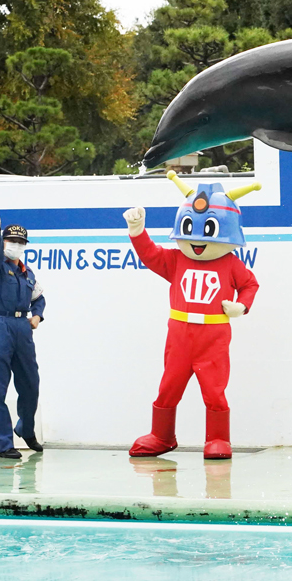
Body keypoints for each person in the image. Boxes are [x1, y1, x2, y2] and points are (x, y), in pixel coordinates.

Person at [123, 172, 260, 460]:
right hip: (180, 335)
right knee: (169, 385)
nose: (197, 241)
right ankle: (161, 435)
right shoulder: (176, 259)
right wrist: (138, 231)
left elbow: (249, 284)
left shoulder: (231, 263)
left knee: (214, 390)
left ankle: (219, 438)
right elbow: (150, 255)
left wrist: (242, 306)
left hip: (214, 336)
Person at [0, 213, 46, 459]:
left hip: (22, 328)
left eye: (20, 243)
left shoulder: (27, 273)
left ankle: (25, 429)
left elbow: (39, 298)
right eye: (11, 241)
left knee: (31, 385)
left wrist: (37, 316)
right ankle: (4, 444)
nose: (16, 246)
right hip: (0, 325)